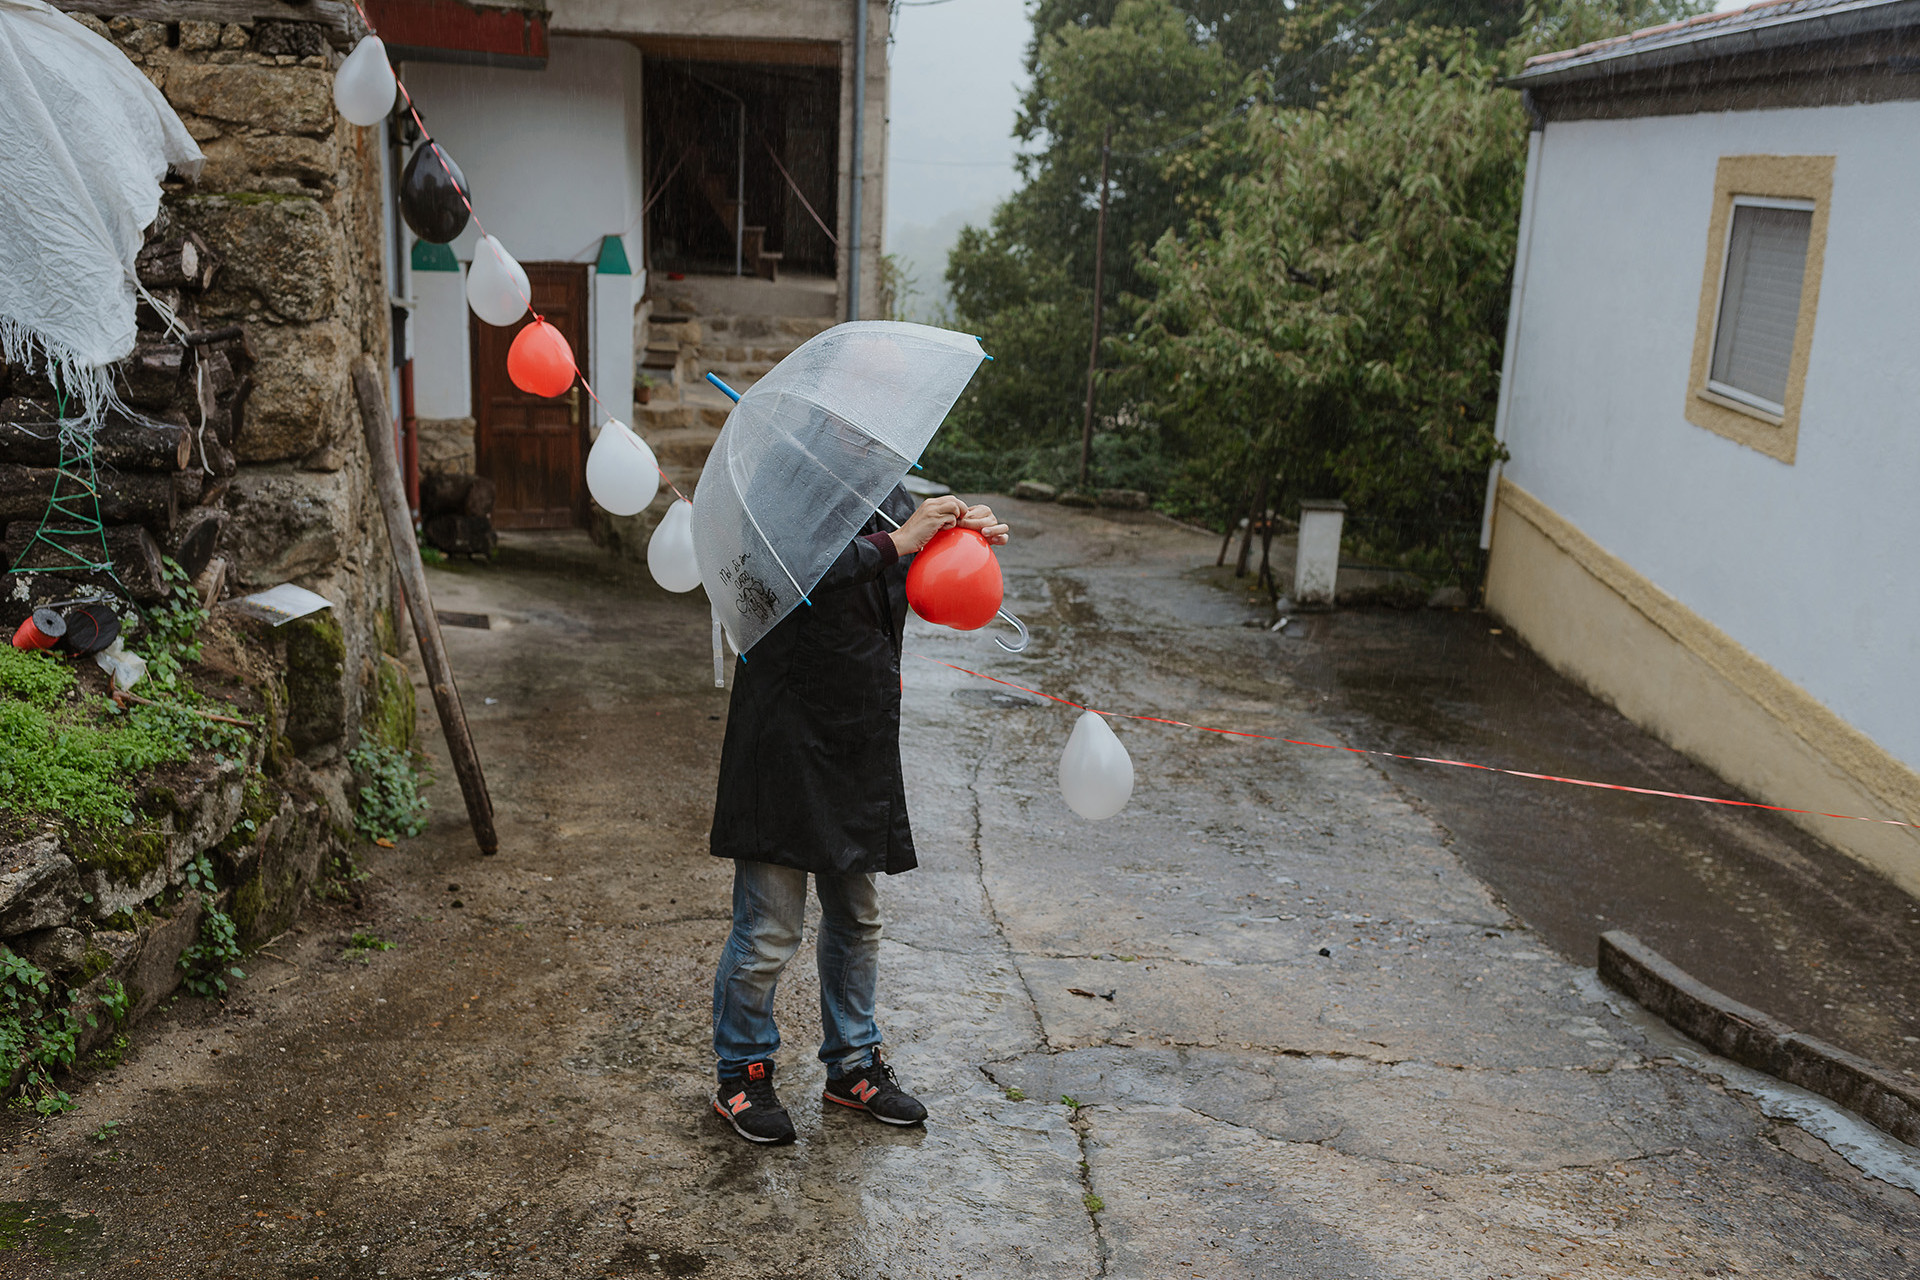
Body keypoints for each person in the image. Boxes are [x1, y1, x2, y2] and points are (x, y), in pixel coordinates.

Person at [707, 488, 1010, 1144]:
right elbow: (780, 578)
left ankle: (852, 1064)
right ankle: (742, 1072)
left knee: (858, 918)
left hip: (857, 732)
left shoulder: (885, 490)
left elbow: (914, 584)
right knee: (768, 931)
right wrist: (898, 542)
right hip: (782, 730)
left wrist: (961, 543)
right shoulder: (776, 486)